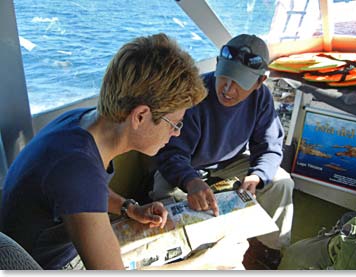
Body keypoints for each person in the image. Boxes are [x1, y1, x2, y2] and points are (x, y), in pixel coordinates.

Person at [0, 33, 207, 270]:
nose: (177, 133)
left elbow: (85, 190)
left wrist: (129, 208)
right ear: (140, 116)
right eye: (175, 124)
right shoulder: (76, 170)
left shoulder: (81, 124)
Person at [150, 34, 295, 270]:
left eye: (239, 83)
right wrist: (190, 180)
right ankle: (182, 255)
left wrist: (257, 176)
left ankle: (270, 248)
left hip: (231, 162)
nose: (228, 89)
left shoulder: (261, 98)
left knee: (281, 183)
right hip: (188, 167)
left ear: (260, 82)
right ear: (217, 64)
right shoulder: (193, 94)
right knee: (163, 193)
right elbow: (169, 153)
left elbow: (270, 146)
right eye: (224, 77)